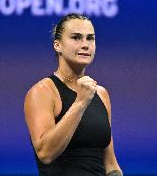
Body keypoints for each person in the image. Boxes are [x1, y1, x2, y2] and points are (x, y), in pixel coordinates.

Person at [24, 13, 123, 176]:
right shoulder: (42, 92)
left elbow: (110, 163)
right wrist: (80, 103)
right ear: (57, 45)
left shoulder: (101, 94)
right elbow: (45, 153)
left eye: (90, 38)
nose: (85, 45)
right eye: (76, 38)